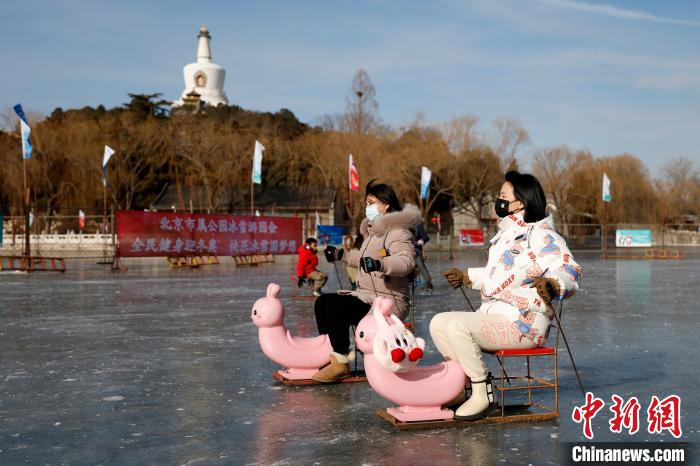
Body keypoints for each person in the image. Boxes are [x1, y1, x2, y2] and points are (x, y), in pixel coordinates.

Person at [430, 171, 582, 420]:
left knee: (458, 326)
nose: (497, 201)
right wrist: (469, 277)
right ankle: (460, 388)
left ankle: (482, 393)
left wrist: (555, 285)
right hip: (495, 315)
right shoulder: (506, 235)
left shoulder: (542, 236)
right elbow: (497, 277)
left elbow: (570, 269)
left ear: (520, 202)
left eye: (503, 196)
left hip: (523, 324)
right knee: (438, 323)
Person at [312, 181, 421, 383]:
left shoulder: (398, 232)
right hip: (367, 295)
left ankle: (340, 363)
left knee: (336, 306)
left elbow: (406, 262)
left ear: (386, 204)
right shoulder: (373, 233)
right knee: (323, 302)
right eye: (366, 203)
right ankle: (334, 357)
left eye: (372, 202)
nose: (367, 207)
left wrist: (381, 264)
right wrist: (340, 254)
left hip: (389, 301)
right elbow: (363, 260)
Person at [414, 222, 433, 291]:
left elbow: (426, 237)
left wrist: (421, 240)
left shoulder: (417, 224)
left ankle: (428, 282)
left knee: (420, 265)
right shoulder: (401, 224)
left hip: (416, 250)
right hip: (404, 250)